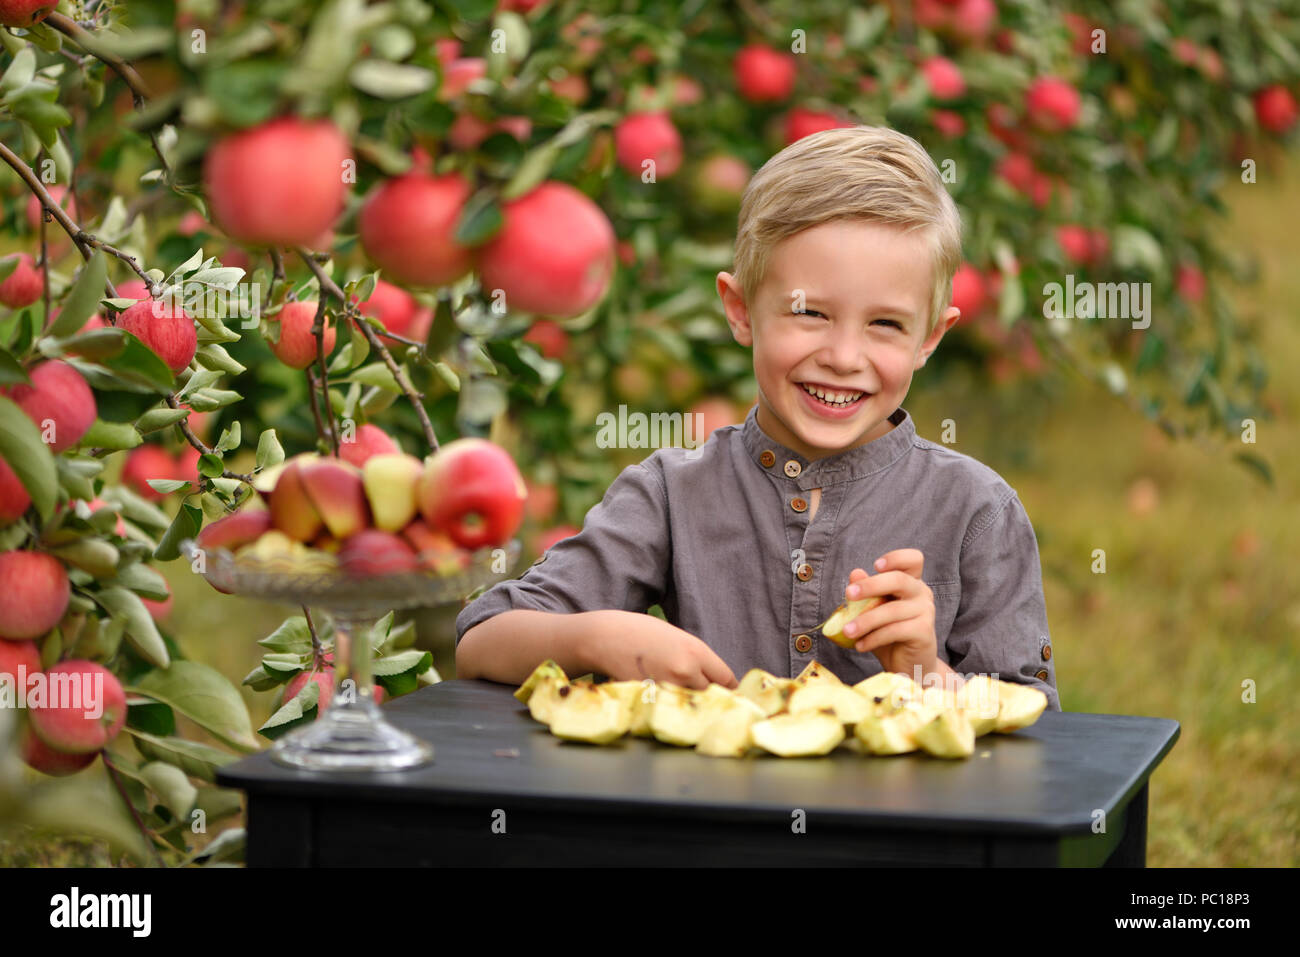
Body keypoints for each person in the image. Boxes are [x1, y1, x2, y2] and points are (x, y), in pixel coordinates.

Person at [456, 125, 1060, 711]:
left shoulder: (977, 511)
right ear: (740, 310)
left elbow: (1036, 730)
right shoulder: (673, 492)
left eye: (885, 324)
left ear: (930, 337)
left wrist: (926, 671)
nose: (844, 358)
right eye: (811, 314)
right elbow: (482, 640)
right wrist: (591, 637)